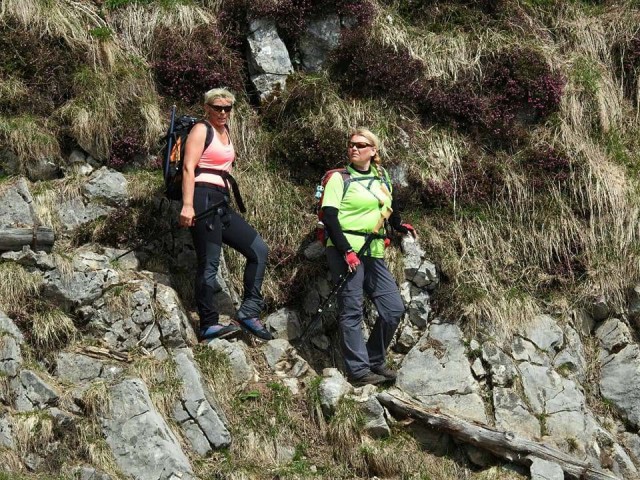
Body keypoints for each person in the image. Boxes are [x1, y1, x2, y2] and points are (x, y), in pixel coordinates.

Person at [321, 127, 417, 387]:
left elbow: (389, 205)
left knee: (393, 308)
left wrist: (398, 225)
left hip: (373, 250)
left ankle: (375, 359)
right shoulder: (339, 179)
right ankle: (359, 371)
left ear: (373, 151)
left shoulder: (382, 176)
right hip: (346, 250)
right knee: (351, 310)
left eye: (361, 145)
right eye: (351, 144)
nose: (354, 148)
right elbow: (329, 217)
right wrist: (346, 251)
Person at [179, 88, 272, 342]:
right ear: (207, 107)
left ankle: (249, 311)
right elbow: (189, 167)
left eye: (227, 108)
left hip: (221, 202)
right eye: (217, 107)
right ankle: (208, 324)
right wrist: (187, 205)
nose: (222, 112)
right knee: (209, 263)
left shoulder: (226, 131)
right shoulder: (202, 129)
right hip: (202, 198)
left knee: (259, 250)